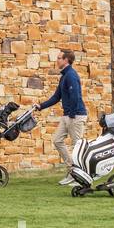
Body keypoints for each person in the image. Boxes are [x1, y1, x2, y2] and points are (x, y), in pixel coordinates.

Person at [32, 49, 87, 184]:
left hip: (76, 116)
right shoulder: (64, 76)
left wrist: (73, 114)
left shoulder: (71, 76)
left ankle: (79, 178)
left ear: (66, 60)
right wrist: (41, 106)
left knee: (76, 147)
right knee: (57, 140)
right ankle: (71, 170)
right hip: (67, 116)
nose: (56, 60)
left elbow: (76, 96)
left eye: (59, 58)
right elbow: (57, 97)